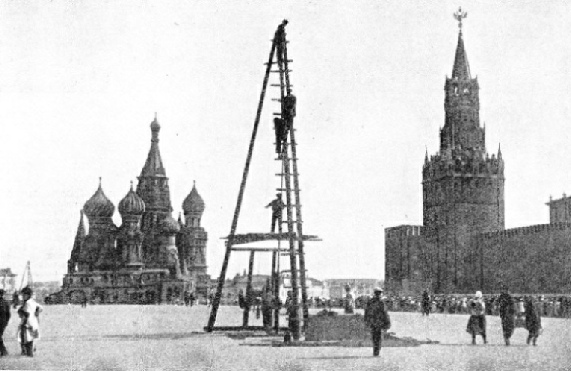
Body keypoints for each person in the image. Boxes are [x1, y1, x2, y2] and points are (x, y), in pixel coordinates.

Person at [364, 287, 391, 357]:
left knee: (374, 336)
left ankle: (375, 350)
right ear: (379, 294)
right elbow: (385, 313)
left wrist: (366, 320)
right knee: (378, 337)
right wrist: (387, 322)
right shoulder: (381, 302)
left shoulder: (370, 301)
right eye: (379, 293)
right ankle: (377, 350)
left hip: (373, 322)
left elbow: (366, 312)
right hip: (379, 322)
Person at [18, 287, 42, 357]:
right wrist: (37, 312)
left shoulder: (28, 303)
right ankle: (28, 352)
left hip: (28, 323)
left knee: (27, 338)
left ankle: (29, 353)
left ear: (28, 295)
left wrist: (21, 312)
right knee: (30, 338)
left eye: (24, 295)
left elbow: (27, 313)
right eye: (22, 295)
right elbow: (40, 308)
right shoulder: (32, 301)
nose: (22, 296)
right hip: (33, 322)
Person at [0, 289, 10, 356]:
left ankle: (4, 351)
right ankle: (4, 351)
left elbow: (8, 314)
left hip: (2, 322)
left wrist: (6, 322)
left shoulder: (5, 303)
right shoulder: (6, 303)